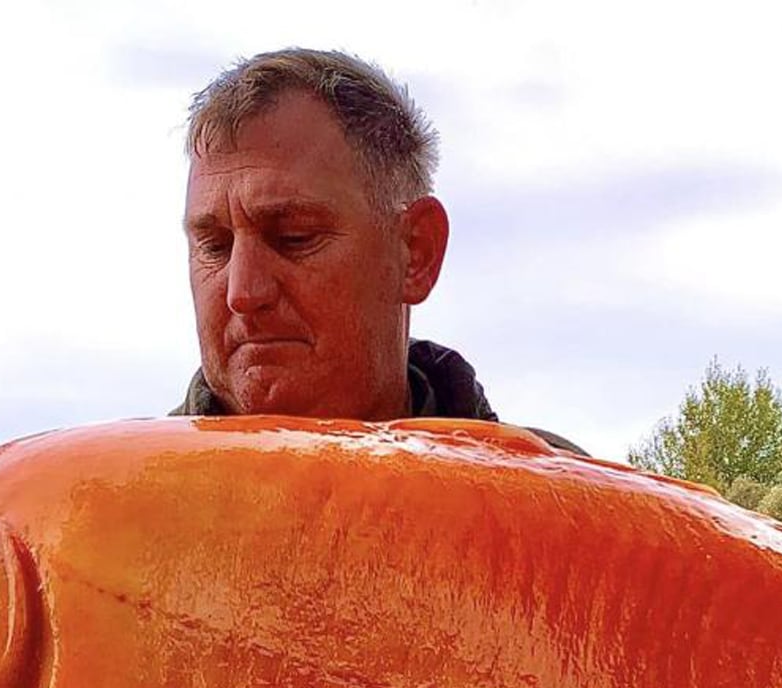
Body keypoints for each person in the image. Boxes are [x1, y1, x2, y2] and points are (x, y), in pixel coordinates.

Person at [170, 47, 587, 456]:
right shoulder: (110, 507)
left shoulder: (571, 501)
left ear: (416, 252)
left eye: (295, 237)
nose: (242, 293)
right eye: (214, 246)